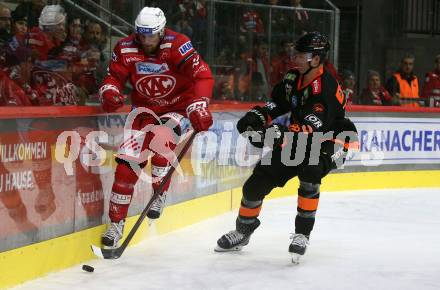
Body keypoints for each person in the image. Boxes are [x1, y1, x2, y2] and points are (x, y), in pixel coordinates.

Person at [215, 32, 358, 263]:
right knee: (256, 184)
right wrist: (258, 116)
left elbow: (311, 128)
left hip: (333, 139)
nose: (296, 58)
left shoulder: (325, 88)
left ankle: (302, 234)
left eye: (301, 55)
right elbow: (278, 104)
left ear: (316, 59)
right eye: (296, 54)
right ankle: (243, 232)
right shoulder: (293, 77)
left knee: (310, 171)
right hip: (302, 137)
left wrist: (274, 135)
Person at [99, 7, 214, 248]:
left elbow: (202, 75)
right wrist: (110, 91)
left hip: (177, 108)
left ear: (161, 32)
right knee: (126, 167)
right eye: (142, 35)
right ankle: (116, 223)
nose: (146, 41)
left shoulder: (178, 45)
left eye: (151, 36)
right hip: (143, 112)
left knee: (161, 140)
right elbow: (113, 77)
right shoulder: (125, 47)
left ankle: (159, 192)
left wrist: (199, 105)